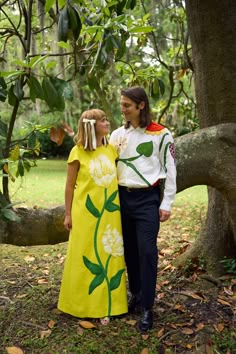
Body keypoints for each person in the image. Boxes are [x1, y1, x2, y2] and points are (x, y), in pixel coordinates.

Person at [109, 87, 176, 332]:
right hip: (121, 199)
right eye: (122, 104)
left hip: (148, 200)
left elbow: (171, 169)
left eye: (127, 105)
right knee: (130, 251)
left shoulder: (161, 134)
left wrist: (166, 202)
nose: (122, 108)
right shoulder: (117, 135)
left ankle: (148, 308)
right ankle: (136, 295)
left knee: (147, 252)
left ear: (141, 106)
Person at [58, 109, 128, 324]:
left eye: (107, 119)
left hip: (110, 213)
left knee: (109, 255)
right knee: (84, 256)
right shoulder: (77, 152)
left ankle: (108, 306)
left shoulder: (110, 149)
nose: (108, 122)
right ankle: (78, 305)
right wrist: (68, 213)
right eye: (103, 120)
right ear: (90, 125)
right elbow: (70, 186)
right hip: (85, 213)